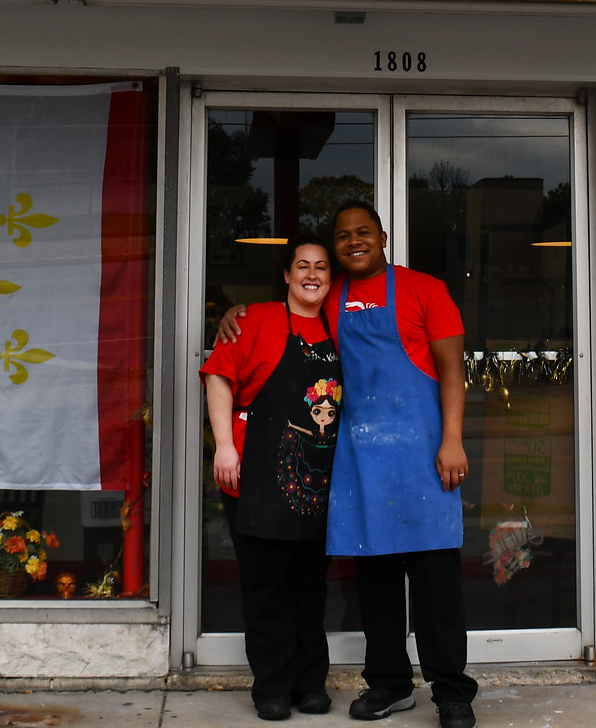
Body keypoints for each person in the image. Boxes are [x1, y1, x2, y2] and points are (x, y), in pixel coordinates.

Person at [221, 200, 476, 728]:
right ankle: (388, 685)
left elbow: (452, 370)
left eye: (363, 232)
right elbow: (291, 310)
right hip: (359, 464)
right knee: (377, 589)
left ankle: (452, 693)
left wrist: (452, 439)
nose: (353, 241)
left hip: (425, 460)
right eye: (342, 235)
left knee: (435, 590)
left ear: (383, 237)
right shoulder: (331, 293)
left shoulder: (425, 289)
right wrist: (236, 313)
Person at [202, 233, 343, 721]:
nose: (311, 274)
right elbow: (219, 376)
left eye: (321, 267)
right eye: (301, 265)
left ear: (331, 277)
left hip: (321, 477)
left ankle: (311, 685)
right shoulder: (255, 319)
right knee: (266, 585)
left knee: (310, 584)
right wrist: (223, 445)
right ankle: (272, 688)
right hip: (256, 473)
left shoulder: (340, 326)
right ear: (285, 274)